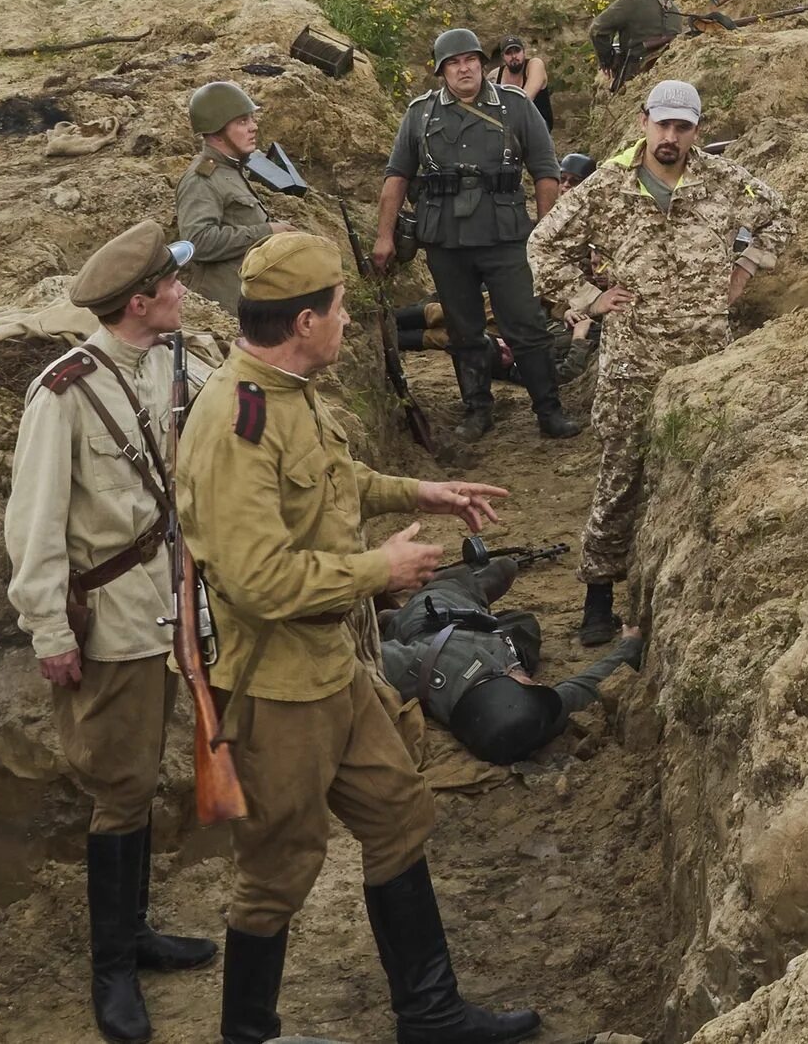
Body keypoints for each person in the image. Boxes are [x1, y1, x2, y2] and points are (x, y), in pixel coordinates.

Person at [177, 232, 537, 1044]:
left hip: (333, 666)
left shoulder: (294, 388)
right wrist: (379, 571)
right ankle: (248, 1035)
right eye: (339, 306)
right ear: (304, 320)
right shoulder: (238, 423)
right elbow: (258, 580)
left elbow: (336, 482)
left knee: (399, 810)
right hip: (275, 689)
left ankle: (431, 1014)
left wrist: (424, 491)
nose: (348, 318)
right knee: (278, 868)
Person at [4, 221, 214, 1044]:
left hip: (170, 610)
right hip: (112, 626)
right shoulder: (62, 393)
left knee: (143, 772)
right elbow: (35, 524)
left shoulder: (172, 361)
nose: (184, 291)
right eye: (173, 283)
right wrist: (48, 628)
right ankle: (112, 966)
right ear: (140, 301)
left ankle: (136, 933)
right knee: (119, 791)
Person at [528, 79, 792, 644]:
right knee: (621, 477)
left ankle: (682, 595)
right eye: (662, 125)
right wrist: (589, 300)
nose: (670, 137)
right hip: (633, 362)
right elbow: (544, 246)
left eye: (682, 127)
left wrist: (743, 269)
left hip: (705, 366)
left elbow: (779, 215)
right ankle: (599, 594)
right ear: (644, 121)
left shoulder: (724, 182)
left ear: (697, 129)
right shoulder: (607, 189)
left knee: (700, 476)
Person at [374, 28, 581, 442]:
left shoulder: (516, 107)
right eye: (453, 63)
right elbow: (396, 176)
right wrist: (384, 237)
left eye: (470, 59)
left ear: (483, 65)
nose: (463, 68)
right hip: (446, 240)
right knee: (463, 328)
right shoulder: (420, 114)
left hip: (505, 237)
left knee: (526, 324)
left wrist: (545, 233)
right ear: (441, 72)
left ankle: (548, 410)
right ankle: (477, 409)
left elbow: (545, 171)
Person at [378, 555, 643, 766]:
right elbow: (586, 686)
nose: (538, 685)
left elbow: (362, 658)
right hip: (499, 637)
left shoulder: (420, 666)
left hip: (437, 612)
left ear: (507, 683)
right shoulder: (525, 715)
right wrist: (630, 647)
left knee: (497, 570)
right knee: (527, 624)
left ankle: (396, 616)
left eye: (531, 685)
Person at [176, 82, 291, 312]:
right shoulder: (202, 179)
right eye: (242, 121)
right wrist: (266, 232)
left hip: (248, 298)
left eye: (251, 119)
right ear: (217, 131)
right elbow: (197, 242)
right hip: (225, 308)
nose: (253, 127)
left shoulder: (230, 169)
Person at [588, 0, 688, 93]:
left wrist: (607, 61)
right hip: (667, 78)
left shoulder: (633, 0)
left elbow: (597, 29)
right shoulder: (674, 9)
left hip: (633, 80)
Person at [488, 36, 553, 128]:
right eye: (509, 53)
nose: (514, 56)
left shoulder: (534, 65)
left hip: (538, 128)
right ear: (503, 56)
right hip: (509, 129)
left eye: (517, 51)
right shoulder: (494, 76)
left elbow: (525, 99)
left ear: (523, 52)